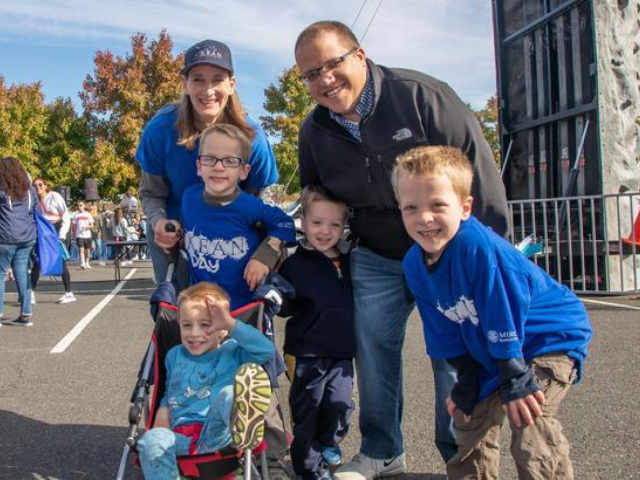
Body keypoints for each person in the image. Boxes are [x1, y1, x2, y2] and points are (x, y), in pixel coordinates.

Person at [294, 20, 511, 477]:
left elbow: (481, 175)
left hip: (446, 254)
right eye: (310, 74)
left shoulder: (422, 96)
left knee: (452, 358)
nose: (324, 80)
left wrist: (492, 258)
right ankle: (382, 450)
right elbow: (318, 197)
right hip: (376, 253)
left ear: (359, 55)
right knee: (371, 349)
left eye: (332, 64)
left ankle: (461, 457)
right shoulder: (313, 131)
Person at [394, 145, 592, 478]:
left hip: (546, 338)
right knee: (468, 421)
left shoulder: (478, 248)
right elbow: (441, 329)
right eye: (411, 208)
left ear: (465, 207)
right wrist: (467, 380)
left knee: (529, 420)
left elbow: (504, 311)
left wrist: (515, 377)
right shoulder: (413, 264)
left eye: (438, 205)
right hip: (496, 348)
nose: (424, 218)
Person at [136, 38, 279, 290]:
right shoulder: (160, 130)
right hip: (176, 231)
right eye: (198, 79)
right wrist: (159, 223)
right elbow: (151, 192)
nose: (208, 90)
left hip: (233, 232)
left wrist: (265, 253)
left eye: (217, 79)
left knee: (238, 314)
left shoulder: (253, 137)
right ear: (185, 84)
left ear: (231, 84)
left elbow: (264, 202)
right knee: (180, 313)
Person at [137, 281, 275, 480]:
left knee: (229, 394)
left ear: (222, 330)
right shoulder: (174, 355)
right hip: (180, 437)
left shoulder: (233, 351)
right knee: (152, 439)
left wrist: (231, 323)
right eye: (187, 325)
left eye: (205, 325)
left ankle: (243, 426)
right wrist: (162, 417)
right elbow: (170, 391)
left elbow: (266, 351)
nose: (194, 333)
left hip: (216, 432)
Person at [277, 185, 355, 480]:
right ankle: (308, 469)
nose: (325, 231)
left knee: (340, 403)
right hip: (304, 351)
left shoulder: (351, 259)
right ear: (304, 221)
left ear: (344, 225)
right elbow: (285, 306)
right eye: (317, 223)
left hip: (341, 350)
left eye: (335, 224)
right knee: (307, 410)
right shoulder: (295, 264)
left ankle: (328, 443)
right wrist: (275, 293)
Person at [181, 123, 296, 310]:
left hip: (243, 309)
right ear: (199, 166)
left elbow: (285, 223)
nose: (219, 167)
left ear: (244, 171)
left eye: (230, 161)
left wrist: (264, 257)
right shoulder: (188, 199)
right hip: (201, 310)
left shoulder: (249, 205)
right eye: (210, 159)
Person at [0, 157, 37, 327]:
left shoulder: (2, 190)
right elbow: (35, 210)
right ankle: (26, 313)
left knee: (0, 275)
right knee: (23, 274)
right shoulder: (29, 190)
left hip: (5, 236)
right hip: (27, 236)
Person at [31, 177, 76, 304]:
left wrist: (62, 235)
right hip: (45, 233)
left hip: (58, 229)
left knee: (60, 262)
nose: (38, 188)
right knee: (37, 261)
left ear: (45, 186)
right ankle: (31, 293)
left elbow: (65, 215)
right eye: (35, 186)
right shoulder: (35, 201)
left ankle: (69, 293)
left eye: (40, 185)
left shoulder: (54, 196)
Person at [72, 201, 94, 269]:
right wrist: (74, 235)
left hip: (87, 235)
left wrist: (86, 227)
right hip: (79, 235)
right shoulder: (76, 215)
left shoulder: (88, 214)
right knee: (81, 250)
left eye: (81, 205)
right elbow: (74, 226)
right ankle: (82, 263)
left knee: (88, 251)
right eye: (78, 205)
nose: (79, 207)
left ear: (84, 206)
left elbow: (92, 225)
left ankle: (87, 262)